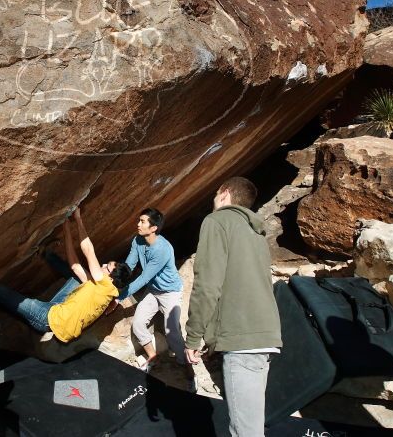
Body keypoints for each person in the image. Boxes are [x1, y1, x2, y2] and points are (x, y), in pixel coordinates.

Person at [185, 177, 282, 437]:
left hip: (242, 340)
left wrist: (193, 337)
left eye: (216, 194)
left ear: (225, 193)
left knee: (244, 432)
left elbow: (207, 285)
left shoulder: (216, 221)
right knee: (250, 426)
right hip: (265, 336)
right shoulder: (256, 232)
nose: (214, 199)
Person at [0, 208, 131, 343]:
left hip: (47, 318)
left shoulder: (105, 285)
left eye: (106, 267)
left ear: (111, 278)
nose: (102, 266)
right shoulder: (103, 291)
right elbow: (75, 265)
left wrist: (78, 218)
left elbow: (88, 250)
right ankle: (46, 253)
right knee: (75, 276)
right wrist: (66, 227)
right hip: (58, 310)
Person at [107, 208, 195, 388]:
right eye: (138, 220)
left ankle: (189, 369)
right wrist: (112, 283)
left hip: (170, 292)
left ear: (153, 228)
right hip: (153, 291)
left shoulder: (162, 249)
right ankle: (153, 357)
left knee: (173, 332)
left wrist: (119, 297)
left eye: (143, 221)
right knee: (138, 324)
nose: (138, 224)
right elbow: (129, 266)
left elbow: (144, 277)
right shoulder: (137, 240)